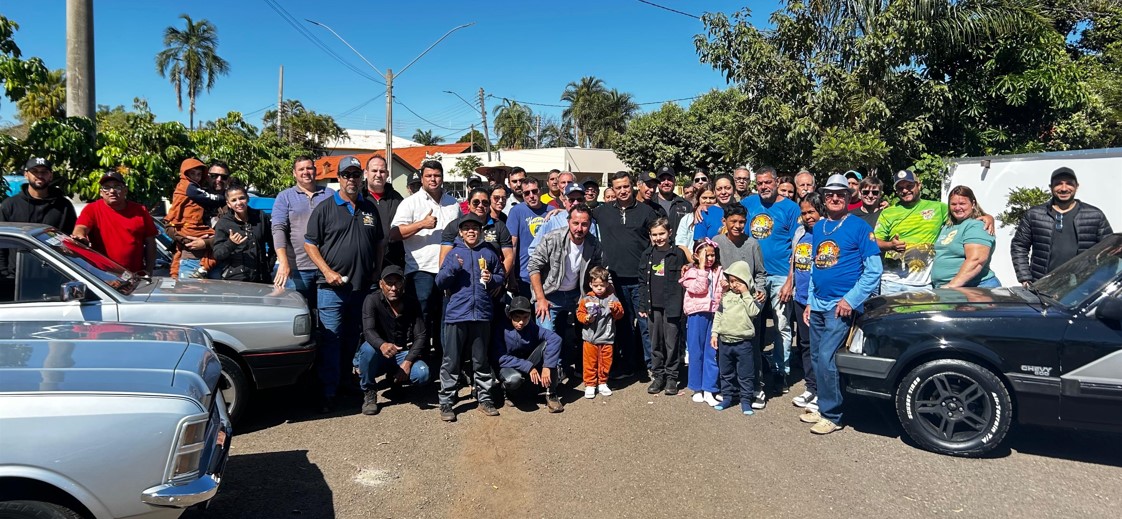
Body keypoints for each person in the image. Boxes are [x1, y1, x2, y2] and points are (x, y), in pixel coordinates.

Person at [801, 174, 882, 435]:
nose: (835, 198)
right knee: (816, 357)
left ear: (849, 197)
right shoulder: (819, 227)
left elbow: (874, 270)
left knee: (826, 357)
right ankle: (824, 407)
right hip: (818, 304)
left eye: (841, 194)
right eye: (830, 195)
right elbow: (816, 269)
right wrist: (810, 302)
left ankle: (833, 415)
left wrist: (851, 299)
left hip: (841, 306)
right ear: (824, 198)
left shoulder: (859, 227)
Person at [304, 155, 386, 412]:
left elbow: (380, 242)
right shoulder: (325, 208)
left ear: (361, 178)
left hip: (361, 288)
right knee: (331, 340)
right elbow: (310, 243)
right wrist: (327, 271)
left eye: (355, 175)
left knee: (352, 338)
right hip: (332, 289)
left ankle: (346, 382)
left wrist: (377, 270)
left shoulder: (370, 208)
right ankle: (328, 392)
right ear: (338, 178)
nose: (352, 179)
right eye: (346, 175)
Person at [435, 214, 505, 422]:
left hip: (481, 313)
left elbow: (501, 276)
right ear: (460, 232)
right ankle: (447, 400)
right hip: (457, 313)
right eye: (467, 228)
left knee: (480, 360)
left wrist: (493, 279)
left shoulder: (489, 252)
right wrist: (452, 269)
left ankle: (484, 399)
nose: (471, 231)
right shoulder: (454, 254)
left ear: (481, 231)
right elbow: (440, 282)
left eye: (475, 228)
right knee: (451, 360)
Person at [592, 171, 660, 380]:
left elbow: (659, 238)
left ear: (633, 186)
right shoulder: (601, 212)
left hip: (640, 279)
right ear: (611, 189)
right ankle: (628, 365)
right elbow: (577, 214)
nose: (622, 191)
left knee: (645, 325)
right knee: (622, 325)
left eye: (626, 186)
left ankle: (653, 367)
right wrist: (554, 213)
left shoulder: (646, 212)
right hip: (614, 281)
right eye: (618, 187)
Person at [741, 166, 801, 398]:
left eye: (768, 182)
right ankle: (753, 371)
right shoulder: (748, 204)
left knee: (782, 325)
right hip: (754, 275)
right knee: (751, 325)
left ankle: (780, 371)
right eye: (760, 183)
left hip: (780, 276)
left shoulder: (790, 207)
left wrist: (790, 280)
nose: (764, 186)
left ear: (776, 182)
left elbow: (798, 247)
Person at [390, 160, 462, 354]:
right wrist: (421, 224)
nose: (433, 179)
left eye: (437, 175)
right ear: (421, 178)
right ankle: (418, 358)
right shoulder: (411, 203)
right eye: (428, 176)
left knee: (445, 316)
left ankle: (443, 359)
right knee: (421, 318)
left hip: (448, 269)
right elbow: (394, 233)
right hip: (421, 270)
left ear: (442, 177)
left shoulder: (453, 203)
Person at [527, 204, 603, 380]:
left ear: (590, 224)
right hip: (550, 295)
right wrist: (540, 299)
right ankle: (549, 385)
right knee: (548, 339)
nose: (579, 228)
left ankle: (588, 371)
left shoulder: (593, 244)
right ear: (568, 221)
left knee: (593, 326)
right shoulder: (552, 238)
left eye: (584, 224)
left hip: (577, 295)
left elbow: (596, 270)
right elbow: (533, 267)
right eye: (575, 223)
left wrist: (593, 298)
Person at [1011, 167, 1113, 284]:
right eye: (1058, 184)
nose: (1064, 188)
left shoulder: (1094, 215)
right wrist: (1025, 277)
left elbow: (1110, 250)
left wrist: (1100, 279)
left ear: (1076, 186)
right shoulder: (1035, 214)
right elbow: (1019, 246)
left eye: (1069, 183)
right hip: (1043, 284)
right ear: (1051, 187)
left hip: (1083, 286)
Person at [353, 265, 432, 416]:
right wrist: (381, 344)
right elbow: (368, 330)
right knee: (367, 349)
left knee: (423, 374)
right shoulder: (371, 300)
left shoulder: (411, 302)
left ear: (404, 284)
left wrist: (408, 361)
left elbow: (421, 335)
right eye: (389, 283)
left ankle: (396, 381)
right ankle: (369, 391)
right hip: (379, 352)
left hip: (403, 353)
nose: (393, 288)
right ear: (381, 284)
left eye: (398, 283)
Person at [271, 156, 334, 308]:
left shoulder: (331, 194)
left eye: (309, 168)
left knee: (326, 313)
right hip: (298, 268)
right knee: (300, 312)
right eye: (301, 169)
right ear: (294, 173)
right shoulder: (285, 197)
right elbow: (278, 228)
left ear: (315, 170)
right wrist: (284, 262)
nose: (306, 172)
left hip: (327, 266)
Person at [637, 217, 687, 395]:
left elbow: (685, 282)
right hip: (652, 306)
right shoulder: (647, 254)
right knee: (655, 342)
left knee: (672, 342)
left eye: (662, 234)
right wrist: (642, 306)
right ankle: (658, 376)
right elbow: (642, 281)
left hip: (672, 306)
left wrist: (684, 307)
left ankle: (672, 377)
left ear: (670, 233)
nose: (658, 238)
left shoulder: (678, 255)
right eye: (654, 234)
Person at [71, 171, 157, 276]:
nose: (112, 191)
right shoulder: (92, 209)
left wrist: (148, 271)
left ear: (125, 190)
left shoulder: (140, 210)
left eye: (117, 187)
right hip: (102, 276)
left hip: (135, 277)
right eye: (106, 187)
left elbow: (150, 242)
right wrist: (79, 236)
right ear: (101, 192)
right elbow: (81, 228)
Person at [493, 296, 565, 413]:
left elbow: (555, 339)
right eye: (517, 318)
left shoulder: (531, 326)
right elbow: (500, 357)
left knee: (549, 344)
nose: (521, 322)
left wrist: (547, 366)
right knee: (514, 379)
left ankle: (551, 394)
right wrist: (528, 366)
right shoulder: (501, 329)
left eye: (525, 318)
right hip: (508, 366)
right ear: (510, 315)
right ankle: (506, 393)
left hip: (528, 362)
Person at [787, 193, 825, 413]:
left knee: (821, 347)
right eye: (804, 213)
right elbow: (794, 260)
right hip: (800, 297)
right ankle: (811, 387)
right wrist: (789, 283)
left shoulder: (826, 233)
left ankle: (823, 391)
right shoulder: (800, 232)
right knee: (805, 344)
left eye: (812, 212)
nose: (808, 217)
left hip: (818, 299)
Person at [711, 260, 762, 415]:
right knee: (726, 372)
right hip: (725, 341)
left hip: (743, 343)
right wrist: (714, 333)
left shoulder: (753, 297)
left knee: (745, 374)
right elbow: (718, 315)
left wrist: (746, 293)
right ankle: (728, 397)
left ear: (746, 280)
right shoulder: (726, 296)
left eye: (737, 281)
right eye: (731, 281)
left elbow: (754, 312)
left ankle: (746, 400)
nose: (734, 285)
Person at [439, 187, 515, 285]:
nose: (480, 205)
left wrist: (498, 281)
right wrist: (448, 282)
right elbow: (444, 258)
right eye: (476, 202)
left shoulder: (500, 226)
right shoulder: (454, 226)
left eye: (485, 203)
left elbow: (509, 256)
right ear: (468, 205)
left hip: (490, 282)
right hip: (461, 285)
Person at [680, 239, 724, 406]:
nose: (710, 258)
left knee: (712, 352)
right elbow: (699, 288)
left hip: (714, 314)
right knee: (695, 350)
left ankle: (709, 388)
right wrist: (701, 268)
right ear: (696, 256)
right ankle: (696, 387)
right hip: (697, 315)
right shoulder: (691, 272)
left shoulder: (719, 270)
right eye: (706, 255)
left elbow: (720, 291)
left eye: (712, 255)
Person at [165, 158, 223, 279]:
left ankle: (205, 267)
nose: (218, 180)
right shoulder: (192, 191)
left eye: (223, 177)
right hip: (190, 260)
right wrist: (187, 240)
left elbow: (232, 235)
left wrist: (205, 243)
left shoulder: (233, 202)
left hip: (217, 263)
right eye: (214, 176)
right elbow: (170, 225)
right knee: (188, 296)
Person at [575, 267, 624, 399]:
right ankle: (590, 384)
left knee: (605, 361)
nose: (599, 288)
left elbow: (620, 315)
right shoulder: (586, 299)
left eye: (602, 285)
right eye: (596, 285)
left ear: (607, 284)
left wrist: (615, 309)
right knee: (590, 362)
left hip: (607, 337)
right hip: (590, 337)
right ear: (590, 284)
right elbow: (579, 314)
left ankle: (602, 382)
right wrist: (586, 318)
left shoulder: (612, 298)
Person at [212, 183, 274, 282]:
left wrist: (269, 265)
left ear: (247, 198)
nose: (239, 202)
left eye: (242, 198)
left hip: (261, 278)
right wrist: (230, 243)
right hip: (235, 280)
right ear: (229, 204)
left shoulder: (260, 217)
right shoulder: (224, 223)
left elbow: (274, 243)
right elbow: (218, 254)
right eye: (234, 200)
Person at [1, 157, 77, 233]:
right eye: (34, 171)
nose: (40, 175)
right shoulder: (10, 205)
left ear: (51, 176)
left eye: (44, 172)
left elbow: (71, 238)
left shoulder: (64, 206)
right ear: (26, 175)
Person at [506, 177, 551, 299]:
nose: (531, 195)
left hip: (548, 278)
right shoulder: (516, 211)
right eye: (526, 193)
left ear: (540, 191)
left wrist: (560, 211)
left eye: (534, 191)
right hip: (524, 277)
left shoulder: (551, 211)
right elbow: (512, 245)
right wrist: (511, 277)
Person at [527, 184, 600, 257]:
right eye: (571, 200)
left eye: (579, 200)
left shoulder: (591, 222)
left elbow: (595, 249)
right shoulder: (553, 220)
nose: (576, 203)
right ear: (564, 202)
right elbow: (533, 249)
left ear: (584, 201)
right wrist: (550, 264)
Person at [365, 155, 406, 268]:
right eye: (374, 170)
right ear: (366, 173)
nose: (378, 175)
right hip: (365, 263)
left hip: (392, 263)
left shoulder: (397, 199)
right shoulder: (357, 198)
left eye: (382, 171)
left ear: (387, 174)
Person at [675, 185, 723, 260]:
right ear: (698, 198)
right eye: (704, 198)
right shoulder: (687, 218)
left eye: (712, 198)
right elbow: (681, 244)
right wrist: (693, 261)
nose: (708, 201)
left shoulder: (721, 216)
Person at [652, 166, 693, 235]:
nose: (666, 182)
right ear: (657, 182)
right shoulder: (649, 203)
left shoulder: (686, 205)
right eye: (662, 179)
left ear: (674, 181)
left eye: (669, 179)